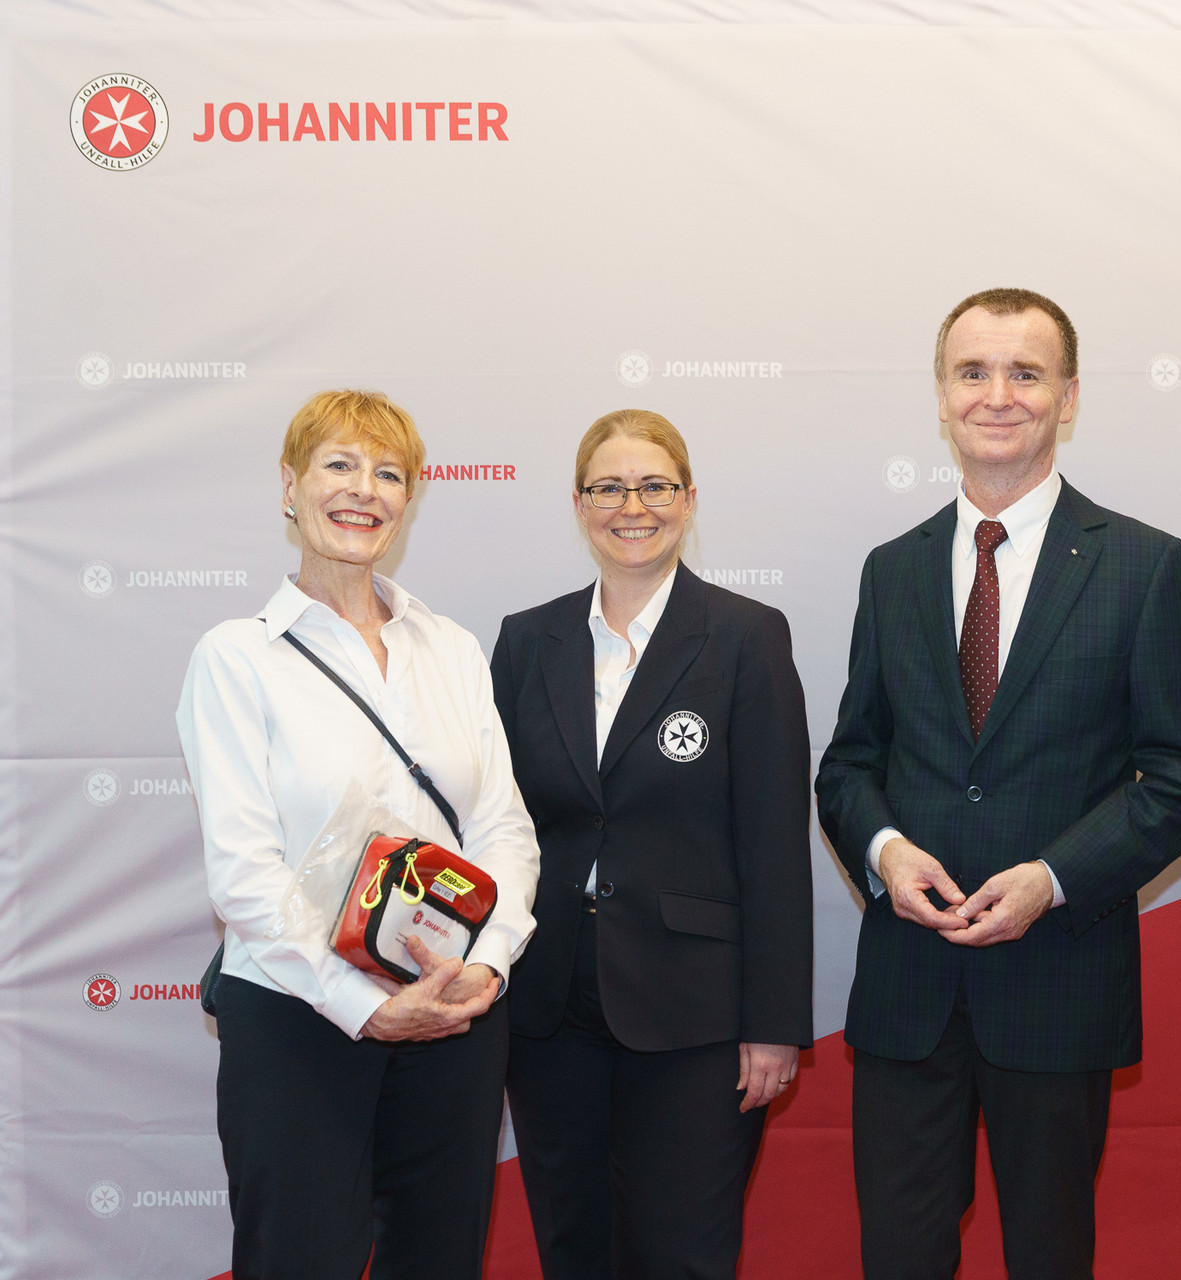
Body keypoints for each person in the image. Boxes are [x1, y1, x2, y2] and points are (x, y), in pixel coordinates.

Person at [815, 288, 1181, 1280]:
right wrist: (884, 850)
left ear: (1069, 396)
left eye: (1025, 373)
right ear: (943, 396)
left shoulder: (1141, 564)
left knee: (1050, 1253)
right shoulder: (891, 568)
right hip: (909, 992)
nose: (997, 394)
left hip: (1059, 979)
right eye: (973, 371)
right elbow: (849, 761)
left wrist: (1052, 874)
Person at [176, 389, 541, 1280]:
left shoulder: (449, 647)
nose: (364, 490)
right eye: (339, 464)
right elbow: (245, 875)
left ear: (409, 499)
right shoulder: (236, 657)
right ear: (291, 487)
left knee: (439, 1258)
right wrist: (367, 1005)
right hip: (301, 1019)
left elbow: (504, 829)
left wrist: (485, 969)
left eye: (388, 473)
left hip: (453, 1013)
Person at [490, 409, 813, 1280]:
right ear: (579, 503)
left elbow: (776, 842)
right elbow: (496, 825)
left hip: (696, 1012)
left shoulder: (747, 636)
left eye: (654, 485)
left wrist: (775, 1024)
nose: (632, 505)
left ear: (688, 499)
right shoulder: (528, 641)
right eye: (609, 487)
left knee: (682, 1255)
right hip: (550, 1003)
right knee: (574, 1247)